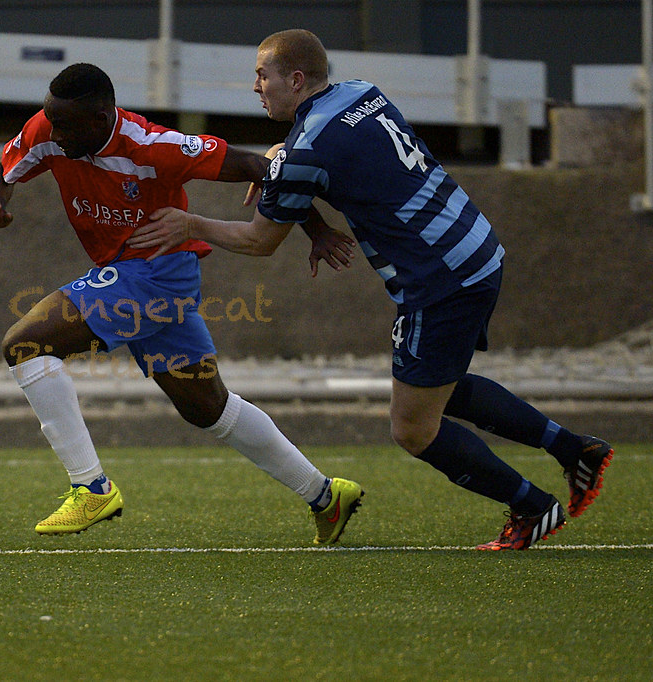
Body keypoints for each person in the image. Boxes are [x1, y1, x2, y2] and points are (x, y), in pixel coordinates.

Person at [127, 30, 614, 551]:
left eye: (262, 76)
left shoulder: (305, 150)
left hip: (438, 279)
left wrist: (190, 224)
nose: (255, 87)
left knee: (412, 427)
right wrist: (282, 162)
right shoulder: (362, 92)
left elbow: (260, 240)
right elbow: (325, 156)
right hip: (475, 246)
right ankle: (575, 450)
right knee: (440, 383)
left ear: (294, 80)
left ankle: (532, 506)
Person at [0, 62, 363, 541]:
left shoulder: (153, 145)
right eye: (50, 121)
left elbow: (263, 167)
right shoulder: (50, 130)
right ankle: (326, 496)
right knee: (207, 408)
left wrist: (316, 227)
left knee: (25, 343)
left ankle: (91, 488)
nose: (52, 133)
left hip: (157, 274)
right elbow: (0, 166)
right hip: (138, 279)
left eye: (65, 125)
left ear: (101, 117)